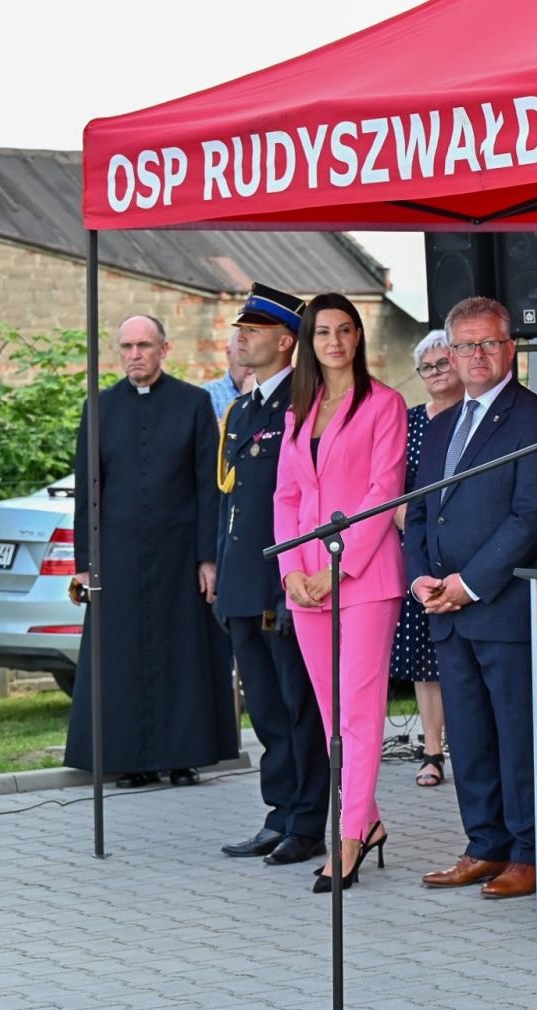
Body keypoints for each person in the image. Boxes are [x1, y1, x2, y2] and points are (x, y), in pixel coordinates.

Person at [406, 296, 537, 901]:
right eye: (464, 346)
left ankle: (528, 851)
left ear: (510, 349)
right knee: (469, 735)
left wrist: (467, 584)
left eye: (488, 344)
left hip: (499, 607)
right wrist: (421, 576)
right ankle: (484, 844)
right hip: (444, 609)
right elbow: (420, 511)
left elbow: (531, 518)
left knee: (514, 734)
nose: (475, 356)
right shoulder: (441, 422)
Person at [273, 293, 408, 893]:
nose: (334, 341)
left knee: (358, 714)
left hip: (366, 580)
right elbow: (286, 497)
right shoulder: (298, 411)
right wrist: (292, 572)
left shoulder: (385, 404)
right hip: (306, 584)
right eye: (323, 331)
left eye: (344, 330)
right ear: (309, 341)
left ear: (358, 338)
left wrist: (338, 565)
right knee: (333, 717)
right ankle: (370, 819)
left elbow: (384, 492)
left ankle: (347, 836)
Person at [65, 314, 236, 787]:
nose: (134, 354)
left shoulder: (194, 403)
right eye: (126, 346)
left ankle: (184, 756)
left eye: (144, 345)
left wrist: (208, 557)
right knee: (121, 657)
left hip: (179, 553)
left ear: (165, 349)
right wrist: (85, 565)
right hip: (116, 556)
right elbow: (88, 492)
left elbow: (209, 486)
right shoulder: (98, 408)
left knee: (183, 652)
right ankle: (131, 760)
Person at [216, 284, 329, 866]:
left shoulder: (302, 406)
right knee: (264, 709)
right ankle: (279, 812)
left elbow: (301, 502)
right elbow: (230, 501)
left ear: (287, 341)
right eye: (242, 329)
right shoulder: (243, 408)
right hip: (242, 584)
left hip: (283, 585)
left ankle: (308, 821)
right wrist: (220, 572)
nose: (242, 338)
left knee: (296, 707)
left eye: (253, 330)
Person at [392, 328, 463, 788]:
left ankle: (469, 744)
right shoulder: (411, 421)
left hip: (465, 553)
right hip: (417, 551)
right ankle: (432, 751)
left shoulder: (473, 415)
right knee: (424, 659)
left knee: (462, 658)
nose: (437, 373)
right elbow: (394, 486)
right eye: (428, 367)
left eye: (443, 363)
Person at [202, 329, 256, 422]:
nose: (252, 366)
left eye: (257, 357)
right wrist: (246, 400)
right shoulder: (209, 394)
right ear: (228, 352)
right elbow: (217, 435)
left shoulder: (271, 392)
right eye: (244, 356)